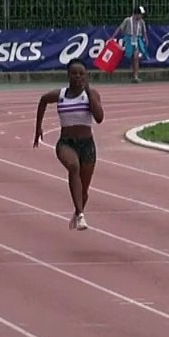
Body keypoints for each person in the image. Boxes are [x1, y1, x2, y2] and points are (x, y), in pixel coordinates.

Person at [34, 58, 104, 231]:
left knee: (84, 190)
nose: (78, 77)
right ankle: (80, 214)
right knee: (74, 167)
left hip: (87, 145)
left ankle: (77, 212)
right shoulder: (61, 95)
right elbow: (43, 100)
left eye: (81, 74)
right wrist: (38, 128)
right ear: (68, 75)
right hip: (66, 143)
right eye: (74, 74)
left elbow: (99, 118)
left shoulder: (92, 94)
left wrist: (88, 92)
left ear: (87, 76)